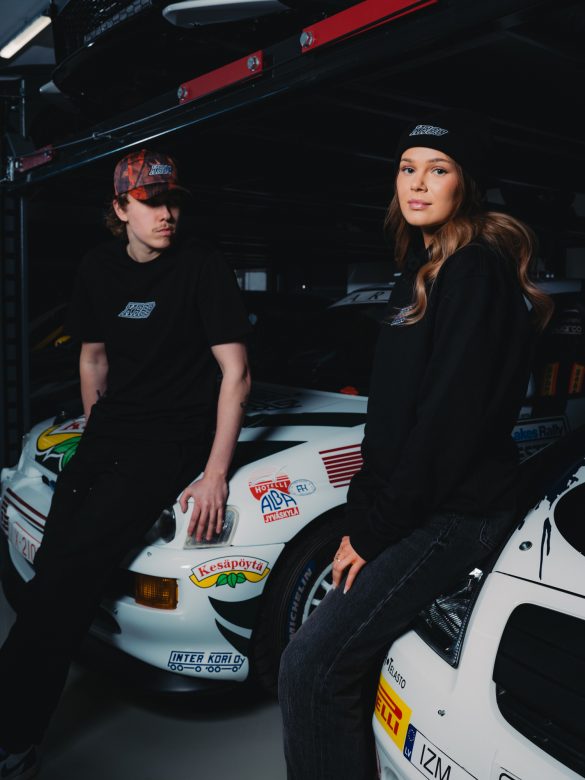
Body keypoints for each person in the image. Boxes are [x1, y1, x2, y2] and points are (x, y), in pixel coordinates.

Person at [278, 109, 553, 779]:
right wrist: (364, 515)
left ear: (466, 184)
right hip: (415, 504)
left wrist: (374, 531)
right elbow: (393, 418)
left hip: (453, 511)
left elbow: (445, 424)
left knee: (310, 668)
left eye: (438, 169)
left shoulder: (475, 271)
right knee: (331, 665)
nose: (418, 183)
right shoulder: (426, 269)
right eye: (407, 168)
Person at [0, 149, 252, 778]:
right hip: (111, 431)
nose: (167, 214)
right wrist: (95, 428)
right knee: (56, 565)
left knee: (67, 575)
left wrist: (215, 472)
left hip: (173, 439)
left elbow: (236, 373)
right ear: (120, 208)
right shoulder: (97, 268)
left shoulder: (202, 265)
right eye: (151, 202)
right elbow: (93, 358)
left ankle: (12, 740)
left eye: (173, 202)